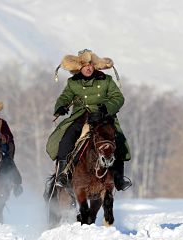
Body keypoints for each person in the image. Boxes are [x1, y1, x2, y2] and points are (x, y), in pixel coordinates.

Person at [47, 49, 132, 191]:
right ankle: (63, 174)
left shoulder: (106, 80)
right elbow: (65, 97)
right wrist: (60, 107)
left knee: (118, 140)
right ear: (79, 67)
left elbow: (118, 98)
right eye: (85, 65)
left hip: (104, 118)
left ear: (94, 66)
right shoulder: (73, 82)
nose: (88, 68)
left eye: (91, 65)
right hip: (81, 117)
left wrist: (105, 109)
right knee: (66, 139)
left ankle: (118, 178)